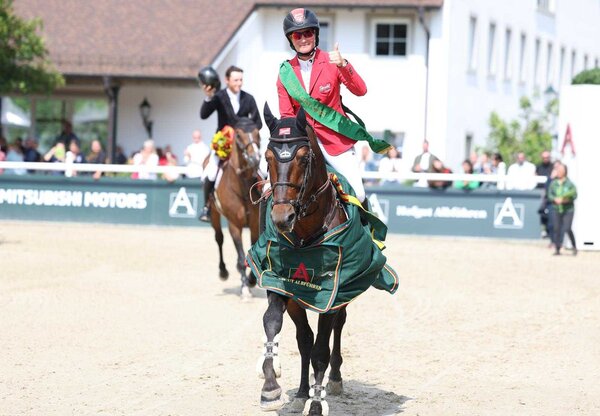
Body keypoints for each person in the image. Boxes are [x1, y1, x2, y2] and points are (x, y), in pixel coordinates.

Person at [277, 8, 386, 206]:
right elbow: (286, 116)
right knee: (271, 190)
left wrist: (343, 64)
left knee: (359, 194)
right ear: (291, 40)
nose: (303, 39)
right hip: (302, 143)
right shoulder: (285, 72)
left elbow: (361, 90)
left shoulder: (332, 61)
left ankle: (363, 226)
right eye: (297, 35)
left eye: (308, 33)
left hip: (334, 140)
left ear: (315, 34)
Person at [198, 65, 262, 221]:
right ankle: (207, 206)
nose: (239, 83)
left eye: (240, 80)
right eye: (235, 80)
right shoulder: (219, 96)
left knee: (262, 171)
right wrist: (208, 97)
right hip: (224, 144)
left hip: (243, 145)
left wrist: (246, 132)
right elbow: (203, 115)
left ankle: (264, 205)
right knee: (211, 171)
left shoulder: (248, 98)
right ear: (227, 80)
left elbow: (258, 123)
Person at [547, 162, 577, 256]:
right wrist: (554, 199)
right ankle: (557, 248)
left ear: (565, 172)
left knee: (567, 228)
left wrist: (566, 200)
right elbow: (549, 194)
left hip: (568, 209)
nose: (558, 172)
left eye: (560, 170)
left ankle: (574, 246)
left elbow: (574, 195)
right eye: (558, 170)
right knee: (556, 228)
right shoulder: (554, 183)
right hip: (557, 208)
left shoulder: (569, 184)